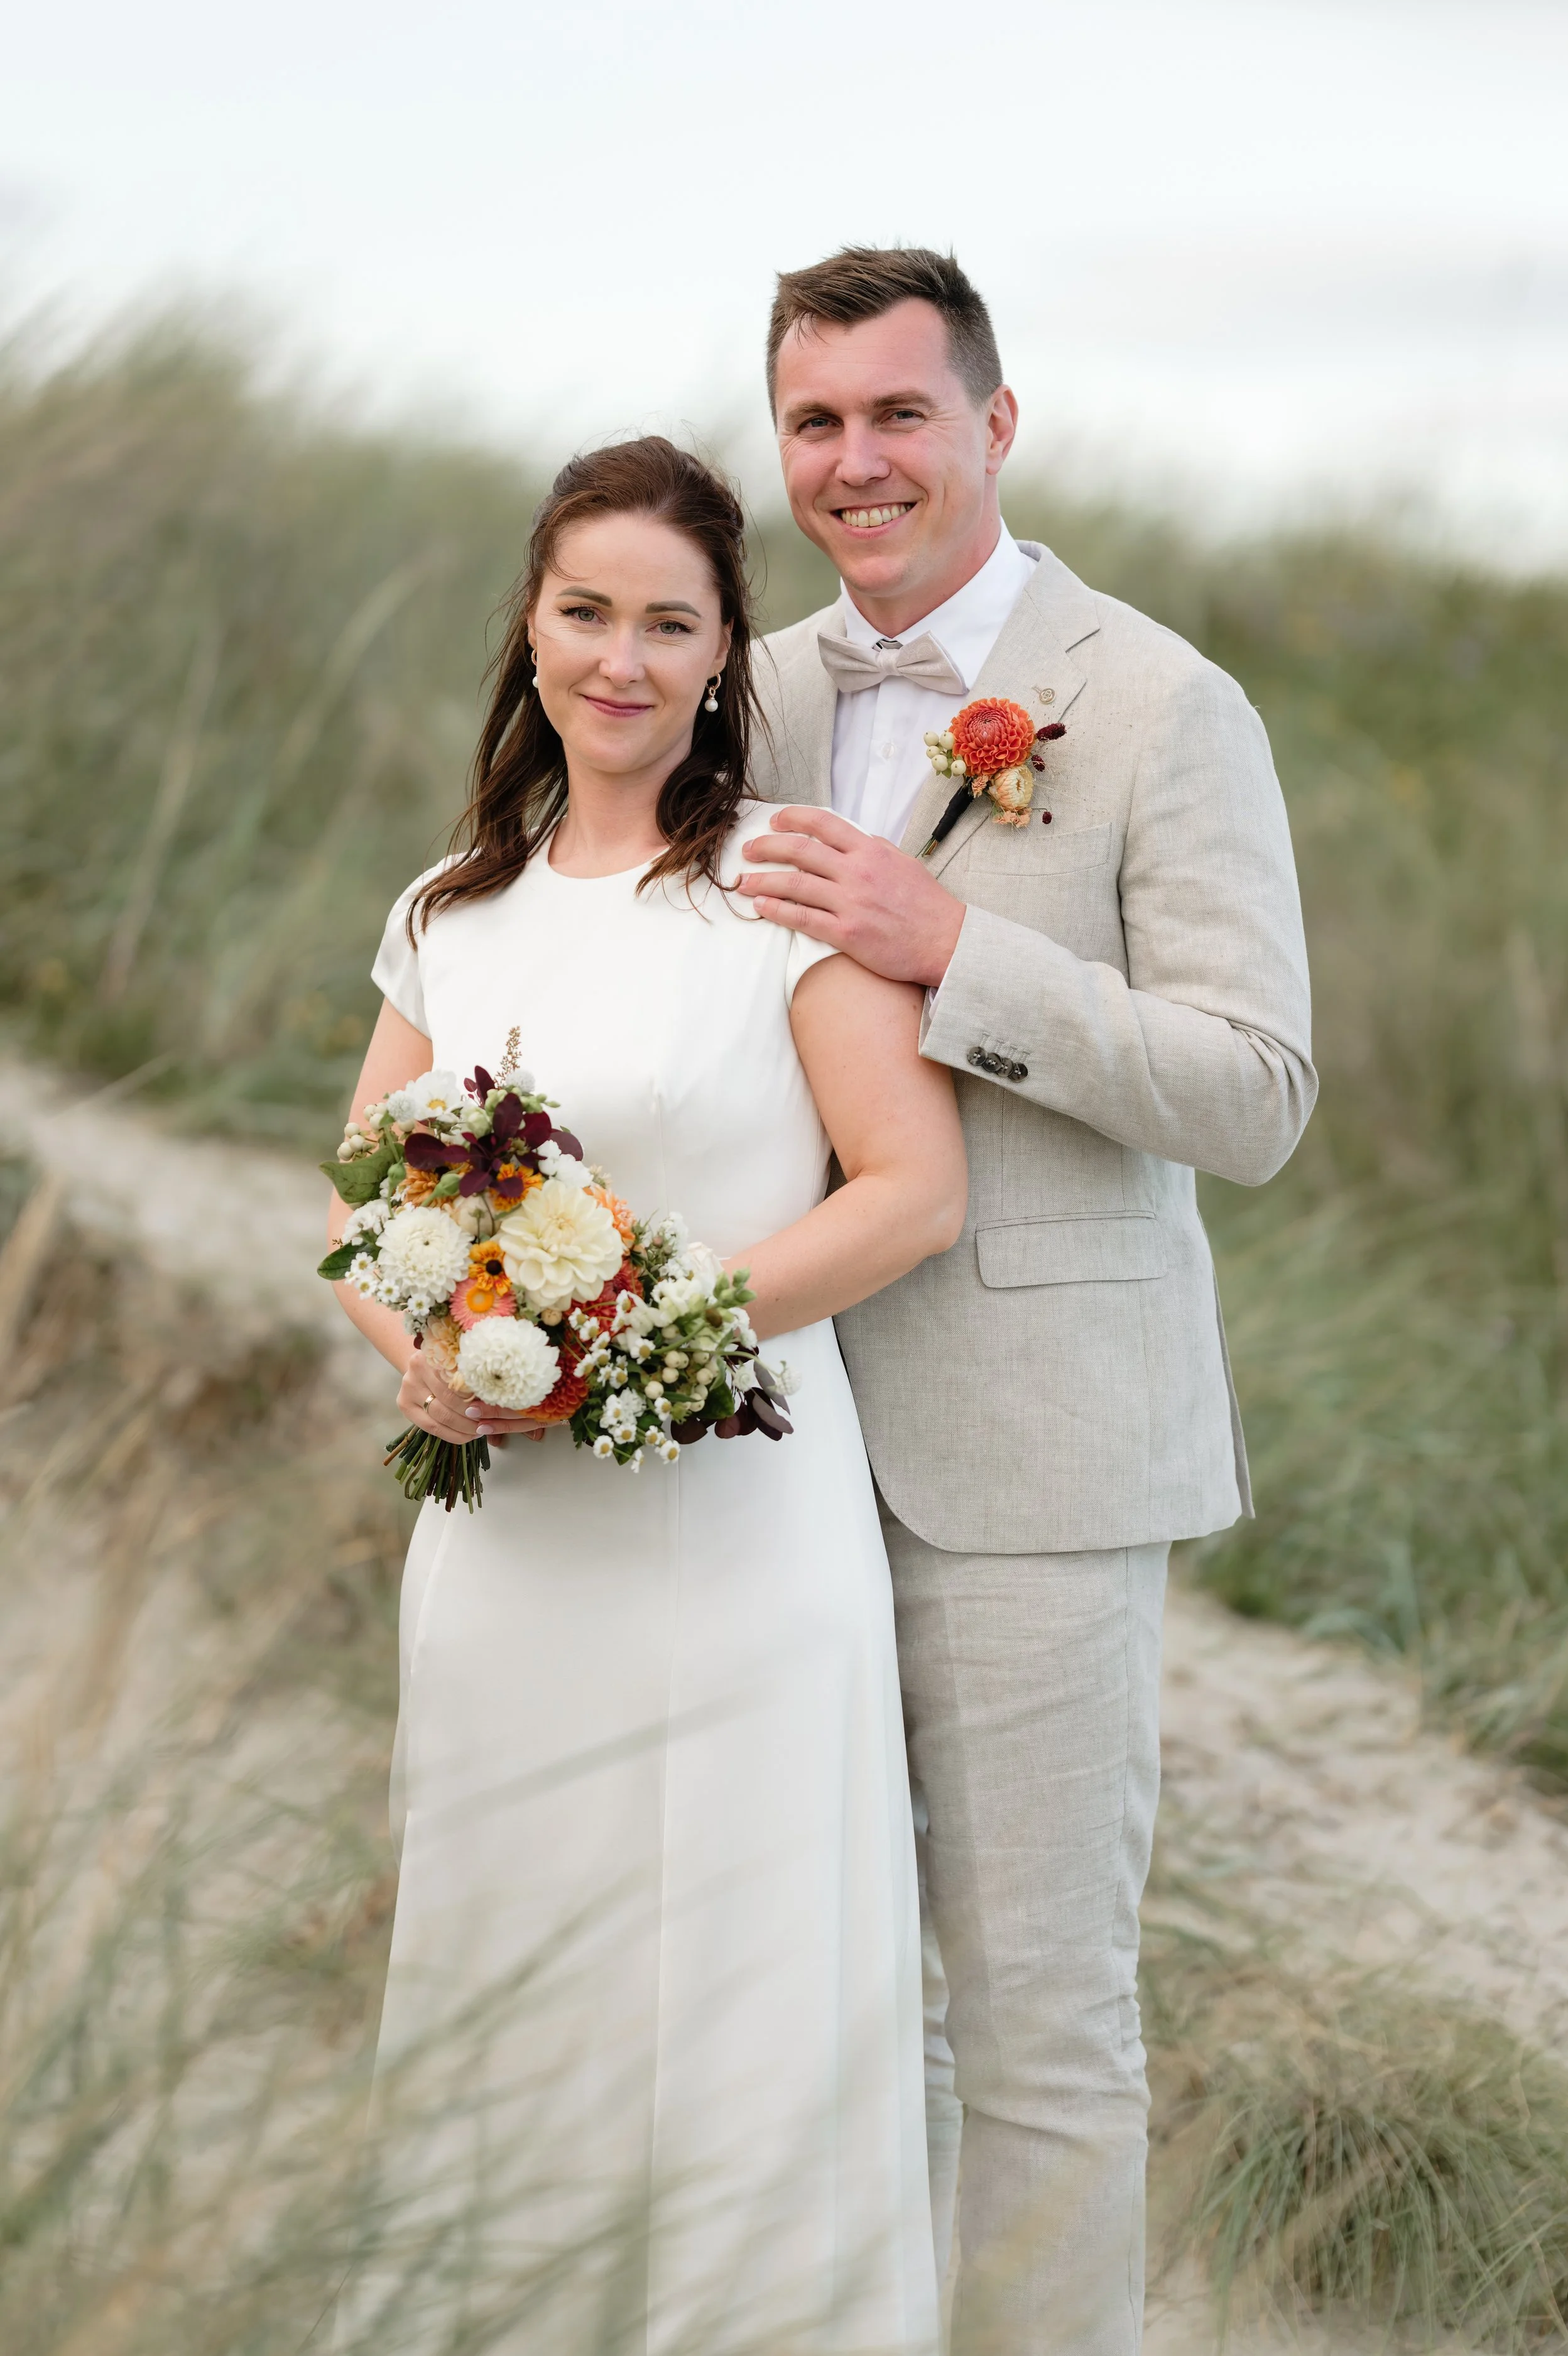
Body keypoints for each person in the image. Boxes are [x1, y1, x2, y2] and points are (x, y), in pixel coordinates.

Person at [327, 437, 965, 2353]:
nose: (620, 656)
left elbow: (910, 1194)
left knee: (739, 1980)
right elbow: (365, 1197)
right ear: (531, 627)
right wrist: (428, 1366)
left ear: (720, 655)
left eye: (667, 622)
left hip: (735, 1538)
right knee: (514, 1955)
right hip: (514, 1551)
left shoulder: (776, 894)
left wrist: (653, 1335)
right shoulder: (453, 910)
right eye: (586, 611)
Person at [739, 247, 1317, 2356]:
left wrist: (949, 952)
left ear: (994, 424)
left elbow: (1254, 1091)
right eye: (816, 421)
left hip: (1046, 1448)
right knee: (816, 1997)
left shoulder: (1162, 700)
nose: (857, 461)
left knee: (1041, 2029)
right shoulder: (757, 688)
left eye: (899, 414)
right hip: (771, 1441)